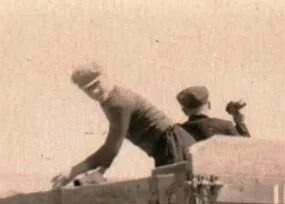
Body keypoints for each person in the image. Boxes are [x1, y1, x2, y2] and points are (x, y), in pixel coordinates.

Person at [52, 63, 196, 188]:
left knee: (174, 200)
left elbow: (112, 147)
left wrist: (74, 171)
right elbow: (112, 147)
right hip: (169, 146)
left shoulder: (118, 102)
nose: (95, 91)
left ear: (106, 77)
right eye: (88, 89)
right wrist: (100, 170)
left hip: (172, 145)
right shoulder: (109, 101)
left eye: (97, 84)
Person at [176, 85, 250, 141]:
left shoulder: (178, 133)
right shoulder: (225, 126)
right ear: (209, 105)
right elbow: (247, 150)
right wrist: (240, 123)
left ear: (184, 111)